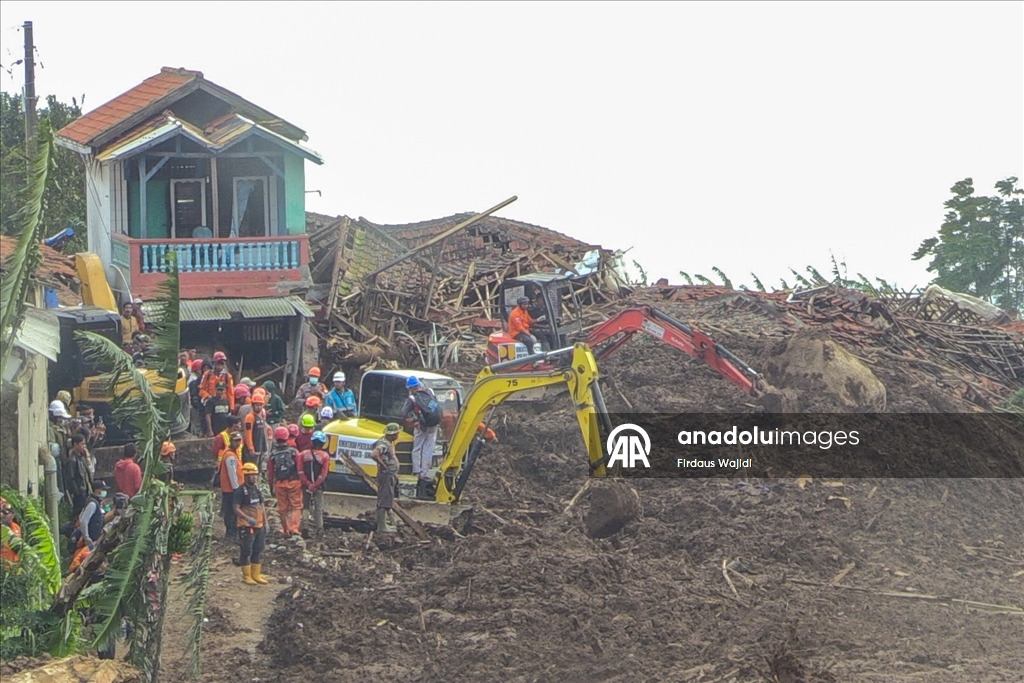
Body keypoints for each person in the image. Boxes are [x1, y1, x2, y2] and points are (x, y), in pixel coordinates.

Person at [402, 376, 441, 500]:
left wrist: (414, 421)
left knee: (417, 448)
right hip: (433, 424)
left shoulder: (412, 398)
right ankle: (425, 473)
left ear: (410, 388)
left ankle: (417, 471)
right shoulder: (430, 391)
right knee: (428, 448)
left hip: (421, 426)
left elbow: (403, 413)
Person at [234, 462, 269, 585]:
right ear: (246, 476)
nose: (254, 477)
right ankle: (246, 575)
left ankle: (256, 574)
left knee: (258, 549)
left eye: (255, 475)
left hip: (259, 525)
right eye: (252, 475)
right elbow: (236, 508)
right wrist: (247, 518)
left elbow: (262, 506)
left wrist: (265, 522)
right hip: (246, 526)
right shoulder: (240, 491)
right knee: (246, 550)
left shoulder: (257, 489)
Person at [267, 427, 302, 537]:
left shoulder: (272, 455)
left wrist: (271, 485)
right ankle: (294, 528)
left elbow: (270, 472)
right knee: (296, 506)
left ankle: (286, 530)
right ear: (287, 437)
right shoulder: (294, 452)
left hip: (279, 483)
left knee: (283, 508)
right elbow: (300, 468)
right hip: (294, 482)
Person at [369, 423, 401, 533]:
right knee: (384, 498)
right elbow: (374, 454)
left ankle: (383, 524)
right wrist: (383, 464)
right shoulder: (384, 444)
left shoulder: (385, 442)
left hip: (389, 474)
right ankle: (382, 526)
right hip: (386, 475)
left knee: (387, 498)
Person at [298, 431, 331, 535]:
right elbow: (323, 474)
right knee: (318, 507)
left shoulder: (303, 454)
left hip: (305, 485)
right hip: (319, 486)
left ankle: (305, 525)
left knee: (305, 506)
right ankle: (320, 528)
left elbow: (300, 471)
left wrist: (308, 484)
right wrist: (315, 485)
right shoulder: (325, 456)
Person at [218, 432, 244, 537]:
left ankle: (232, 532)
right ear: (231, 441)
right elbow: (232, 473)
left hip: (231, 489)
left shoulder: (232, 454)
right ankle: (231, 533)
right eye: (235, 441)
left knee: (231, 511)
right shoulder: (230, 456)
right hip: (231, 490)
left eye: (239, 441)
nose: (238, 443)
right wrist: (236, 488)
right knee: (231, 512)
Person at [65, 433, 95, 516]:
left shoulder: (81, 457)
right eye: (82, 444)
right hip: (80, 494)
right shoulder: (72, 460)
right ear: (75, 444)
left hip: (86, 492)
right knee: (78, 515)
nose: (84, 446)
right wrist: (77, 492)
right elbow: (70, 478)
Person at [243, 388, 272, 469]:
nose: (259, 407)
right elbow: (248, 434)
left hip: (259, 447)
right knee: (252, 468)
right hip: (253, 449)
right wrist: (250, 448)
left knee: (258, 468)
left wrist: (265, 448)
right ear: (252, 405)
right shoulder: (250, 417)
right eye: (257, 405)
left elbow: (263, 433)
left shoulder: (261, 416)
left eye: (260, 405)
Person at [77, 480, 109, 551]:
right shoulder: (92, 504)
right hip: (92, 539)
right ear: (97, 491)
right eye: (103, 489)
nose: (104, 492)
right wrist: (87, 537)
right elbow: (83, 521)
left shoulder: (96, 502)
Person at [1, 498, 21, 566]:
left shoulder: (16, 527)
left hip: (15, 566)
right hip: (4, 566)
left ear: (12, 515)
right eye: (2, 512)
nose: (3, 515)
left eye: (6, 513)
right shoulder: (2, 528)